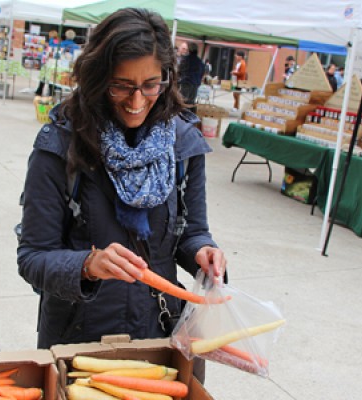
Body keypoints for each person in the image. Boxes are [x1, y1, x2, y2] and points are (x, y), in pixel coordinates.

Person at [17, 7, 227, 371]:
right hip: (79, 341)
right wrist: (87, 264)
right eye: (121, 86)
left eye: (150, 85)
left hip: (162, 335)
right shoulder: (59, 145)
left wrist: (204, 252)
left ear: (167, 78)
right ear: (97, 78)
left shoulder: (183, 143)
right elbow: (33, 257)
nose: (136, 102)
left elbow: (192, 231)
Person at [178, 42, 205, 107]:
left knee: (183, 102)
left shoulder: (185, 59)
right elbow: (202, 73)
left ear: (189, 50)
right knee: (191, 103)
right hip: (195, 84)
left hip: (186, 83)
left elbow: (180, 71)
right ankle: (189, 116)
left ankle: (182, 115)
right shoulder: (200, 61)